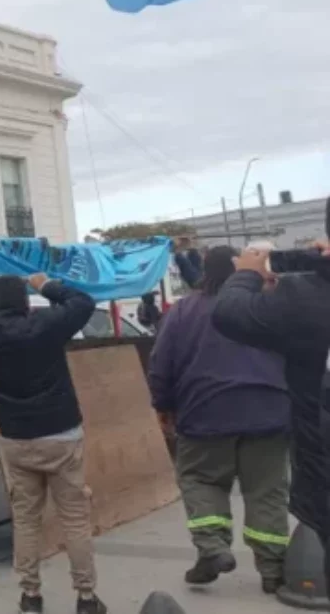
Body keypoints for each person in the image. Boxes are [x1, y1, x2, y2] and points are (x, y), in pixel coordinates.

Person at [148, 246, 290, 592]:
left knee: (200, 480)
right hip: (268, 414)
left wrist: (164, 407)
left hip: (205, 414)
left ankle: (213, 549)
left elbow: (161, 364)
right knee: (266, 492)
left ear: (203, 271)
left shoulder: (184, 311)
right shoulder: (270, 306)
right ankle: (272, 569)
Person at [0, 273, 106, 614]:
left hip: (15, 438)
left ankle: (30, 596)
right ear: (26, 302)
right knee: (74, 518)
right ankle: (86, 598)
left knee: (26, 519)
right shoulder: (47, 325)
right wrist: (45, 284)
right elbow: (83, 302)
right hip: (61, 434)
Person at [212, 218, 330, 594]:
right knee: (266, 491)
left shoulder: (304, 298)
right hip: (267, 420)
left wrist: (247, 273)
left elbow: (230, 314)